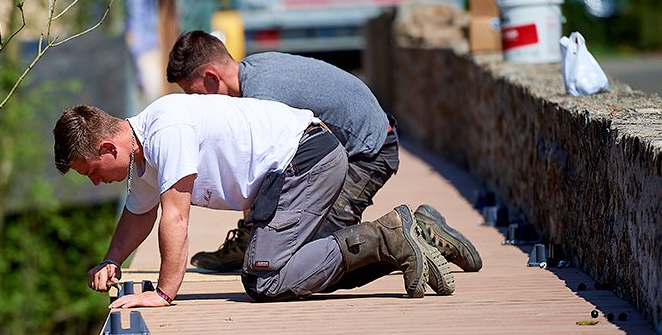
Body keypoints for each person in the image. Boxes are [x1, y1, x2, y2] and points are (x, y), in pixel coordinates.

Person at [53, 96, 457, 309]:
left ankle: (385, 238)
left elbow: (175, 218)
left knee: (265, 276)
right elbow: (139, 214)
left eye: (89, 170)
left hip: (307, 159)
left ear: (107, 147)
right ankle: (405, 242)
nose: (93, 182)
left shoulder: (166, 131)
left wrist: (163, 293)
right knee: (305, 265)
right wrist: (112, 260)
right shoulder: (143, 156)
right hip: (294, 172)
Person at [166, 30, 483, 276]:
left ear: (211, 76)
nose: (198, 104)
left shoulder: (262, 95)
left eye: (194, 95)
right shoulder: (253, 69)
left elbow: (267, 172)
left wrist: (263, 228)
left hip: (369, 153)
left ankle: (421, 230)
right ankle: (252, 241)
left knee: (314, 255)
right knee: (287, 241)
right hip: (353, 146)